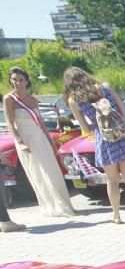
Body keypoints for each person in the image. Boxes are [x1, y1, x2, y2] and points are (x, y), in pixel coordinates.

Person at [64, 66, 125, 224]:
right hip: (124, 136)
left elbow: (85, 128)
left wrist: (98, 124)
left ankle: (116, 215)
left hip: (104, 139)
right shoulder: (105, 87)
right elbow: (124, 113)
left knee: (112, 180)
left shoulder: (73, 100)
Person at [4, 67, 76, 218]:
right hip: (25, 139)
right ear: (10, 81)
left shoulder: (32, 99)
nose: (18, 83)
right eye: (15, 80)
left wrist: (50, 141)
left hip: (40, 137)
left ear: (27, 81)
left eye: (21, 80)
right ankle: (51, 206)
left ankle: (62, 204)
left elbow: (41, 123)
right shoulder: (9, 99)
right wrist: (19, 141)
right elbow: (10, 123)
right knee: (38, 172)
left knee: (52, 170)